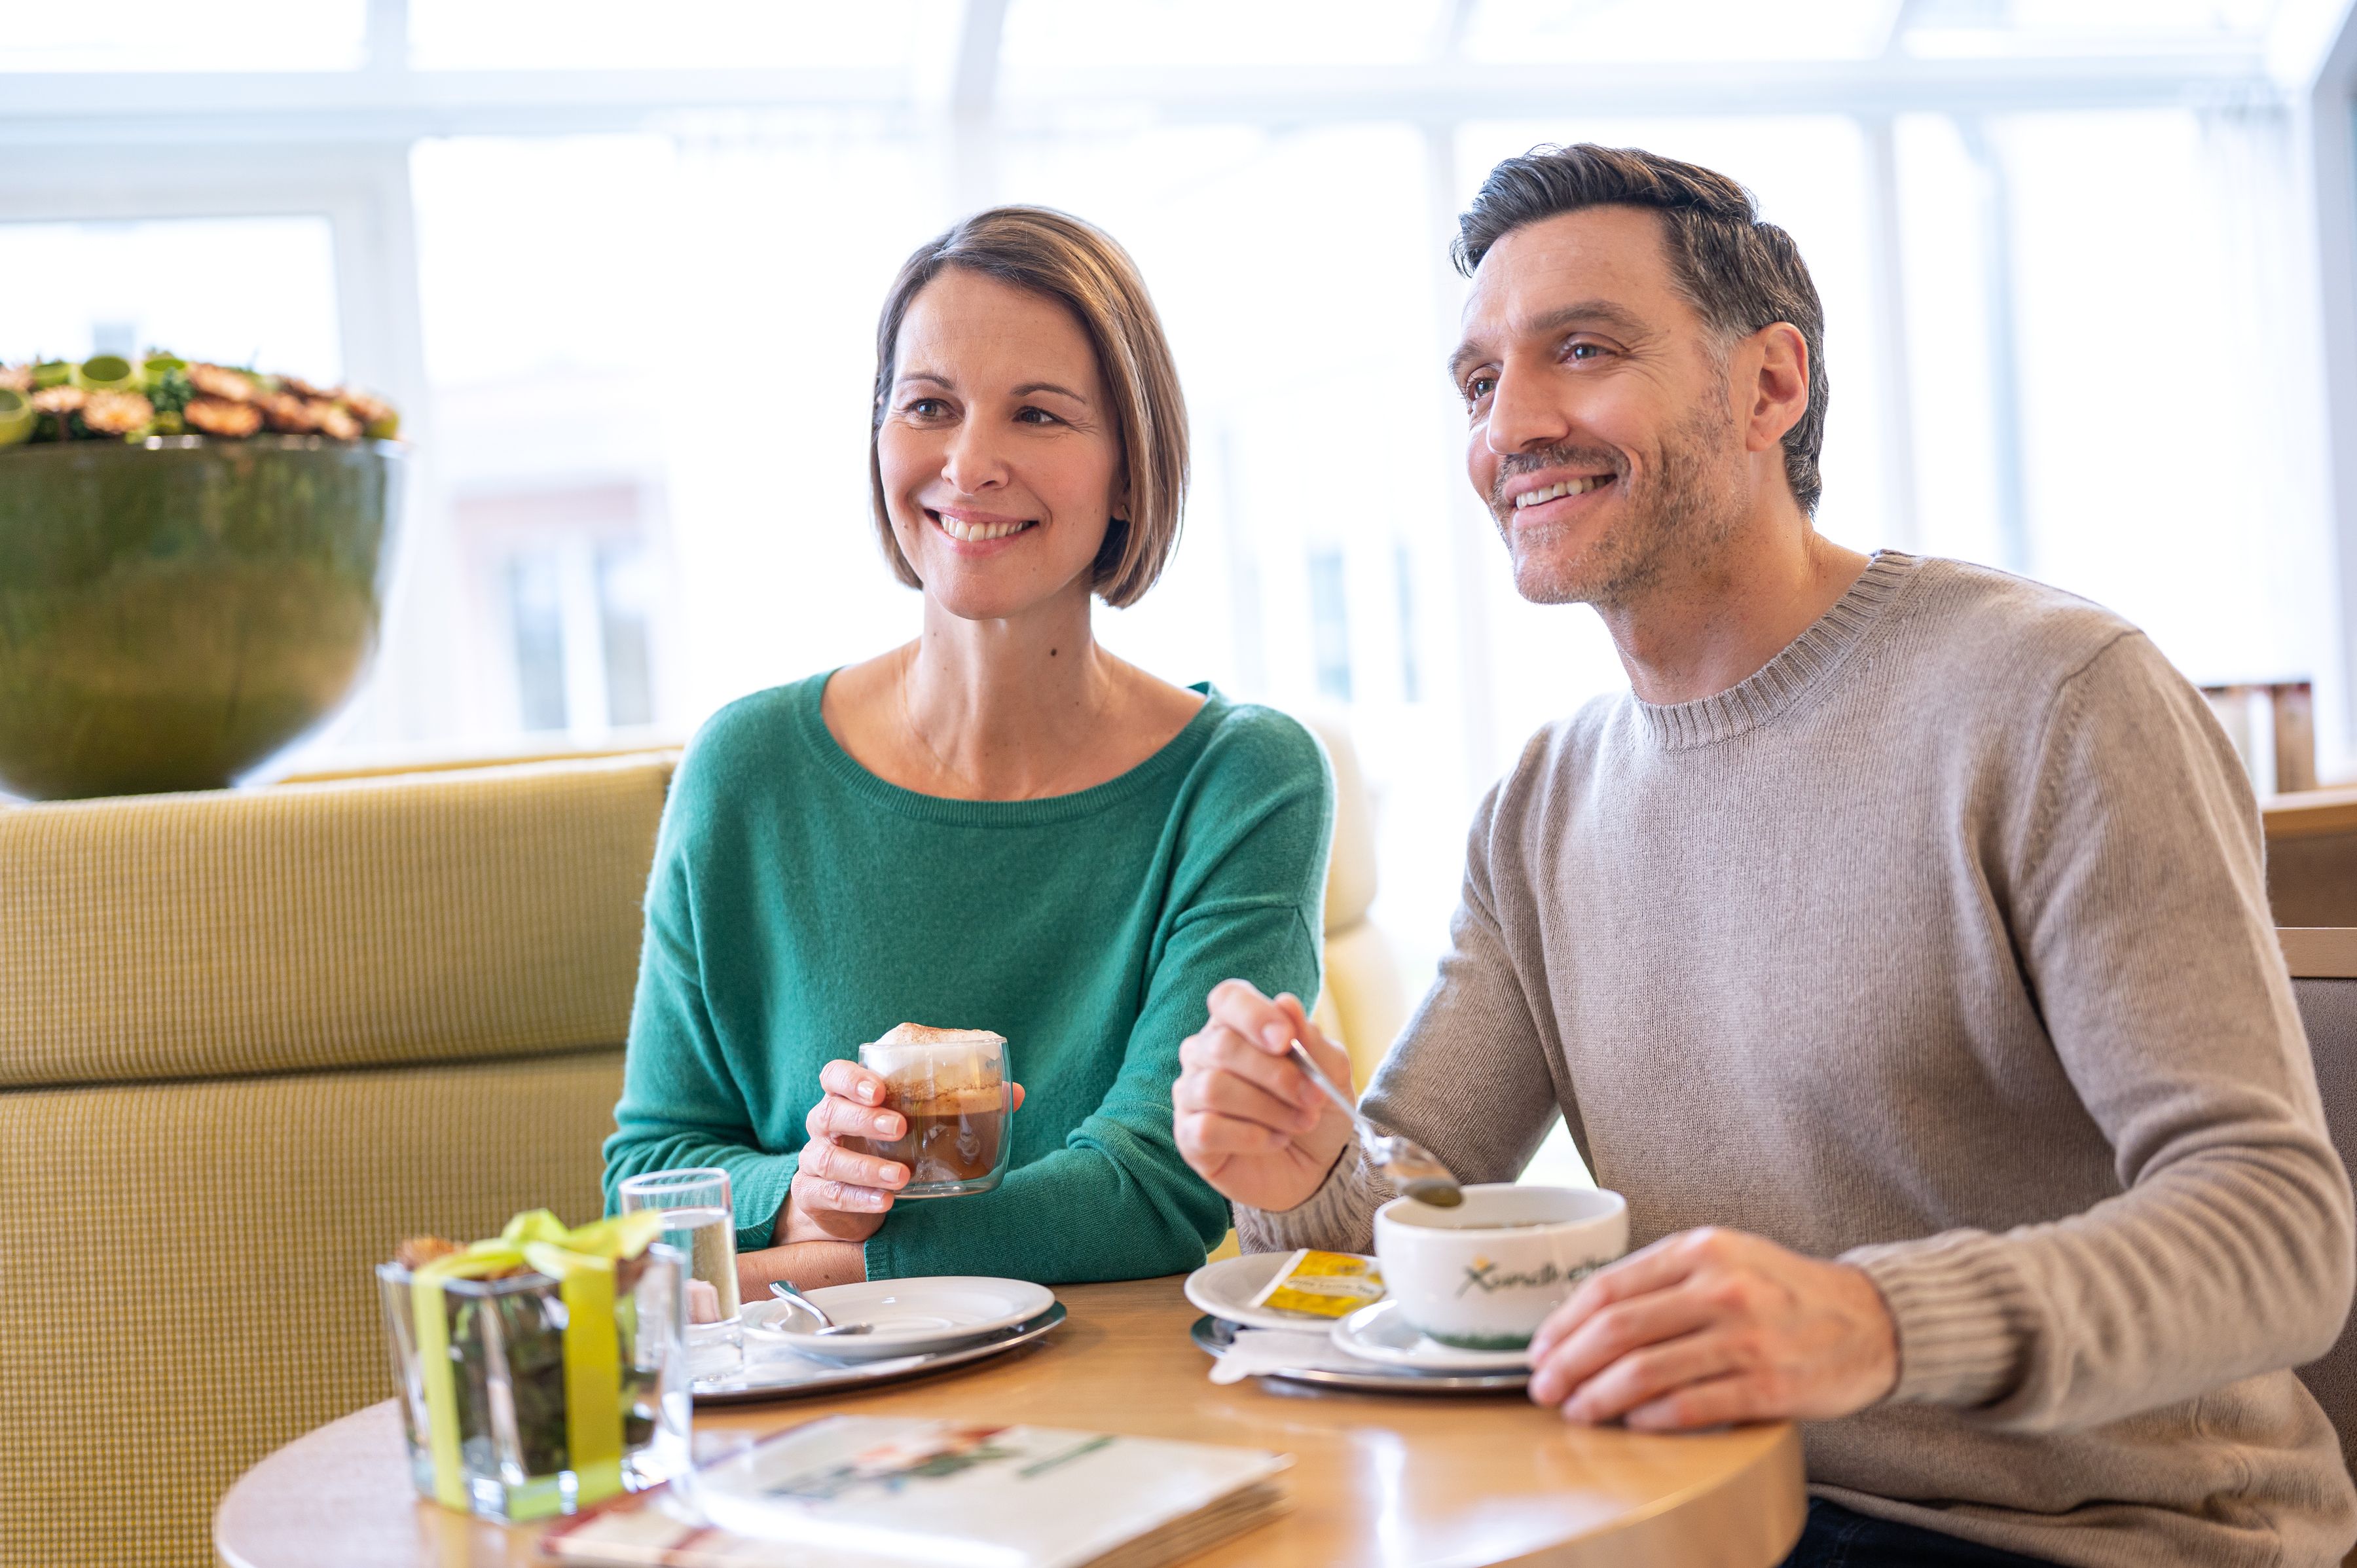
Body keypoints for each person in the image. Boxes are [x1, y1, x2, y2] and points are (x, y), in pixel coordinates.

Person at [1170, 144, 2357, 1567]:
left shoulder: (2056, 699)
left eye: (1583, 350)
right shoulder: (1540, 805)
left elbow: (2278, 1234)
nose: (1513, 425)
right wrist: (1304, 1162)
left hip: (2094, 1538)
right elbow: (1402, 1207)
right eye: (1480, 383)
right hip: (1708, 1504)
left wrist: (1867, 1321)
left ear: (1769, 385)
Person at [604, 206, 1330, 1298]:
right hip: (811, 1396)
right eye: (929, 407)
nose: (970, 462)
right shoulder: (746, 769)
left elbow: (1154, 1191)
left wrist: (794, 1272)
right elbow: (650, 1178)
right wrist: (808, 1192)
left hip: (1111, 1389)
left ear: (1130, 472)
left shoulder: (1244, 781)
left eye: (1037, 414)